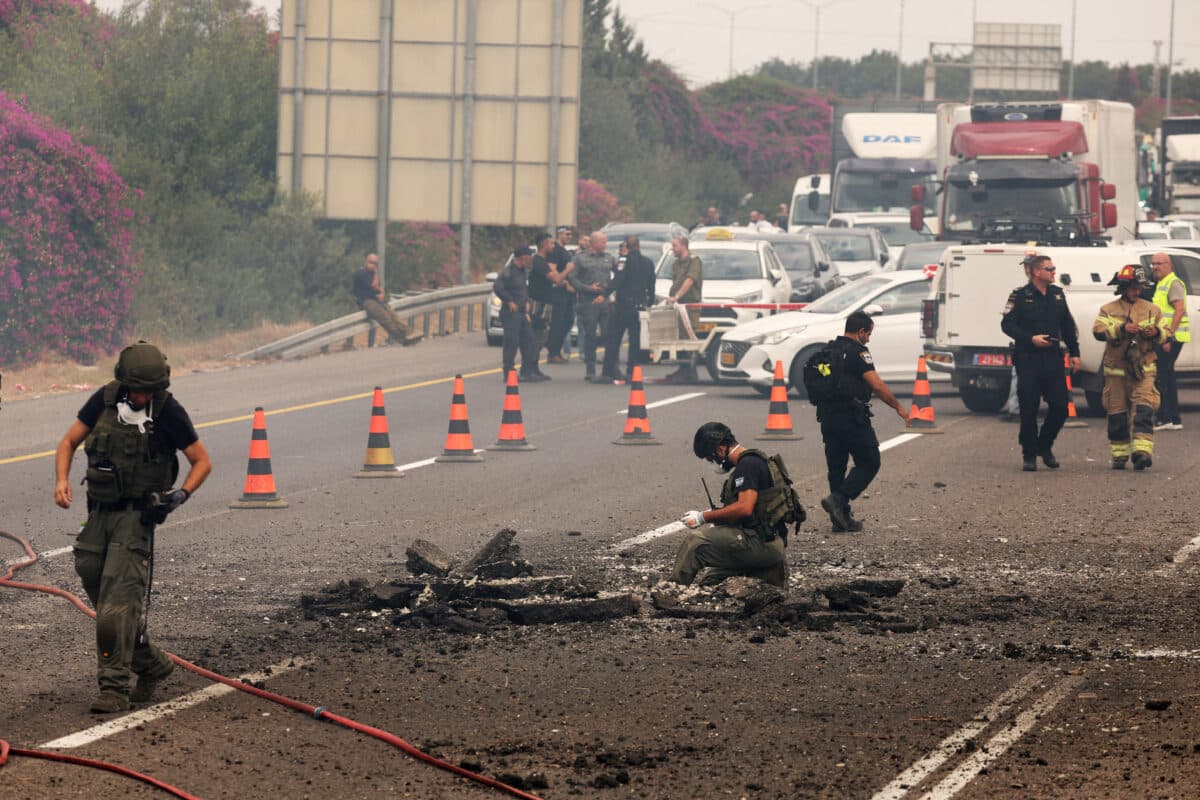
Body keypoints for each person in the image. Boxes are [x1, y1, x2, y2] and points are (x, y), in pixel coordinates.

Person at [53, 342, 212, 713]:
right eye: (137, 389)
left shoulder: (168, 411)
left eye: (149, 391)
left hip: (135, 518)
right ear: (124, 382)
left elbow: (202, 461)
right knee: (92, 575)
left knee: (116, 608)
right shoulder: (105, 400)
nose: (142, 396)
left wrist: (180, 495)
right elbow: (68, 441)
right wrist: (61, 480)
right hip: (99, 513)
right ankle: (152, 664)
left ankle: (113, 688)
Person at [673, 422, 804, 588]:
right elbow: (755, 511)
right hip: (769, 541)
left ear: (720, 450)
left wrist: (703, 517)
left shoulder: (747, 466)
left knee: (695, 542)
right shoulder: (755, 461)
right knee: (710, 583)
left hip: (759, 542)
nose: (714, 463)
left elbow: (744, 508)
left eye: (711, 458)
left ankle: (671, 591)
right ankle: (768, 572)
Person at [815, 312, 910, 532]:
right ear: (861, 332)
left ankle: (840, 520)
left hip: (827, 418)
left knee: (836, 468)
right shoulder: (858, 352)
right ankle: (839, 500)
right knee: (870, 462)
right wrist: (899, 407)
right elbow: (876, 385)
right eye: (869, 334)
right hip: (852, 417)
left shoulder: (827, 350)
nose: (869, 339)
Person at [1000, 254, 1081, 472]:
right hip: (1028, 358)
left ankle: (1044, 445)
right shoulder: (1020, 296)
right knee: (1029, 409)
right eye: (1050, 269)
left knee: (1060, 407)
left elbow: (1067, 325)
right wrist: (1030, 338)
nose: (1054, 272)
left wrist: (1075, 352)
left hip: (1053, 358)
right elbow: (1007, 325)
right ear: (1037, 272)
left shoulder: (1057, 295)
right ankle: (1029, 454)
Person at [1092, 264, 1165, 470]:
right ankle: (1120, 455)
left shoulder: (1153, 309)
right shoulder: (1108, 310)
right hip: (1116, 372)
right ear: (1123, 287)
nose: (1137, 291)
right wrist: (1121, 328)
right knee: (1117, 415)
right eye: (1133, 287)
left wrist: (1156, 332)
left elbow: (1167, 332)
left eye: (1139, 287)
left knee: (1144, 409)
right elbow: (1097, 331)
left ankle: (1142, 453)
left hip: (1144, 370)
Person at [598, 235, 656, 383]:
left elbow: (617, 281)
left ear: (627, 247)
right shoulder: (648, 263)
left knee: (613, 338)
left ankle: (608, 370)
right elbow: (651, 284)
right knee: (635, 340)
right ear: (638, 246)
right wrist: (649, 301)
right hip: (639, 306)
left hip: (623, 306)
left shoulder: (624, 261)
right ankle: (633, 371)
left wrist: (604, 294)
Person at [494, 246, 550, 382]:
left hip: (522, 312)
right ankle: (508, 373)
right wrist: (509, 301)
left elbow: (523, 289)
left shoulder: (523, 271)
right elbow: (498, 287)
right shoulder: (509, 271)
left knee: (529, 341)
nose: (531, 258)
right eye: (529, 255)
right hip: (511, 313)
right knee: (511, 343)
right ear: (522, 257)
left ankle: (528, 371)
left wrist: (527, 302)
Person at [1149, 252, 1189, 431]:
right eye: (1153, 264)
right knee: (1168, 377)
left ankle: (1164, 418)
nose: (1155, 267)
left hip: (1170, 338)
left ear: (1169, 265)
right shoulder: (1162, 283)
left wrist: (1169, 336)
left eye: (1159, 263)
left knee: (1160, 377)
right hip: (1165, 337)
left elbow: (1179, 310)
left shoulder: (1173, 283)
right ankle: (1174, 418)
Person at [569, 231, 614, 381]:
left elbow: (619, 275)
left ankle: (609, 367)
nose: (605, 245)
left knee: (609, 333)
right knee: (590, 335)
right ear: (594, 243)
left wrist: (611, 292)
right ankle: (590, 368)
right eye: (602, 242)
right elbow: (572, 278)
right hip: (588, 301)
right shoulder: (580, 258)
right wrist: (587, 288)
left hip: (605, 300)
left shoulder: (609, 258)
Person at [351, 253, 423, 347]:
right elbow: (373, 285)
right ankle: (403, 338)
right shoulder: (360, 273)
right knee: (386, 319)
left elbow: (379, 287)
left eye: (375, 263)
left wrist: (381, 293)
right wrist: (376, 273)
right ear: (366, 261)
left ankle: (409, 333)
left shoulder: (372, 273)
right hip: (367, 300)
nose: (372, 265)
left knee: (393, 316)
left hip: (376, 299)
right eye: (371, 262)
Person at [661, 235, 704, 383]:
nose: (673, 249)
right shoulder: (676, 264)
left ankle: (691, 372)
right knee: (679, 337)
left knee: (689, 337)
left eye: (675, 246)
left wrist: (677, 296)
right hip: (678, 306)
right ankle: (684, 370)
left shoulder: (694, 261)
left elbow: (690, 280)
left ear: (683, 246)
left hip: (689, 305)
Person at [546, 227, 576, 364]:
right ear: (559, 234)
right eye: (567, 234)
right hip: (558, 292)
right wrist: (565, 283)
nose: (569, 236)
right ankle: (553, 352)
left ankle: (556, 350)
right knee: (558, 323)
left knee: (568, 320)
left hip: (568, 294)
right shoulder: (555, 251)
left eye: (570, 234)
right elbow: (553, 272)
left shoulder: (565, 251)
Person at [529, 232, 557, 360]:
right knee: (537, 335)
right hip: (538, 303)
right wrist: (567, 270)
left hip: (546, 302)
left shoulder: (545, 261)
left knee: (542, 335)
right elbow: (554, 278)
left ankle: (535, 367)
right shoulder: (538, 261)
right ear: (543, 244)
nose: (553, 246)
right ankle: (529, 367)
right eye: (551, 243)